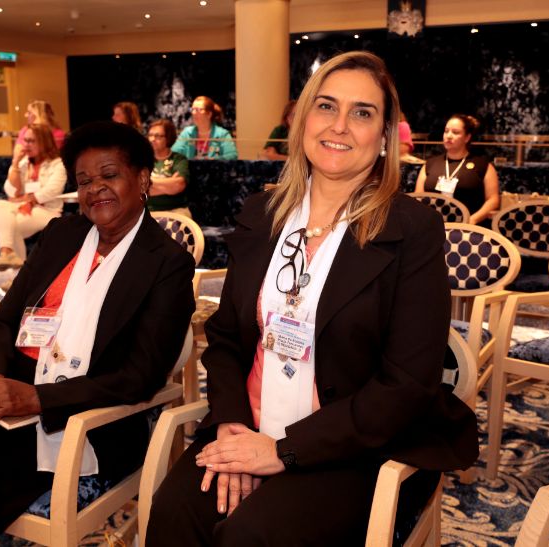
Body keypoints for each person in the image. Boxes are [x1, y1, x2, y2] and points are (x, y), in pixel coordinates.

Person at [147, 51, 477, 546]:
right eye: (326, 106)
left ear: (384, 136)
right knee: (174, 513)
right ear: (303, 120)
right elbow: (226, 340)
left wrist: (282, 451)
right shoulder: (262, 214)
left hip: (355, 445)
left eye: (362, 112)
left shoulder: (412, 229)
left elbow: (407, 384)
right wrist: (234, 425)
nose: (339, 125)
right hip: (249, 424)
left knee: (250, 537)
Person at [0, 121, 196, 546]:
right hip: (13, 394)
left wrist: (36, 399)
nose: (95, 189)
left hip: (87, 420)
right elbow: (0, 322)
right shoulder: (63, 235)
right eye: (84, 181)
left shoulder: (166, 263)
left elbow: (139, 376)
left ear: (142, 179)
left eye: (109, 175)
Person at [0, 124, 67, 271]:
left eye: (31, 141)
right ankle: (6, 253)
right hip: (21, 206)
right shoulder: (22, 162)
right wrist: (15, 164)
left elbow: (52, 190)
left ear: (44, 142)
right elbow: (11, 191)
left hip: (47, 210)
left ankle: (18, 277)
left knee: (14, 225)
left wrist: (28, 199)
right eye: (25, 140)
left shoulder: (58, 164)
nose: (26, 145)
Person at [415, 114, 500, 225]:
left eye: (455, 132)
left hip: (468, 227)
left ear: (467, 137)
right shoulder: (430, 164)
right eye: (446, 131)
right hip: (432, 226)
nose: (449, 136)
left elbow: (493, 200)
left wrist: (472, 220)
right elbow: (418, 197)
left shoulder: (483, 166)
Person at [147, 119, 192, 217]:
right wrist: (169, 184)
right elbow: (138, 189)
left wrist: (149, 182)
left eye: (157, 136)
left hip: (176, 210)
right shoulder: (142, 159)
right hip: (148, 210)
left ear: (168, 138)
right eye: (150, 135)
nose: (152, 139)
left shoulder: (179, 159)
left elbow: (178, 185)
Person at [172, 96, 238, 160]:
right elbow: (173, 154)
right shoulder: (187, 132)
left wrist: (213, 161)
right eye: (192, 109)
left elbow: (232, 156)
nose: (194, 113)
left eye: (198, 110)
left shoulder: (222, 134)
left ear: (209, 114)